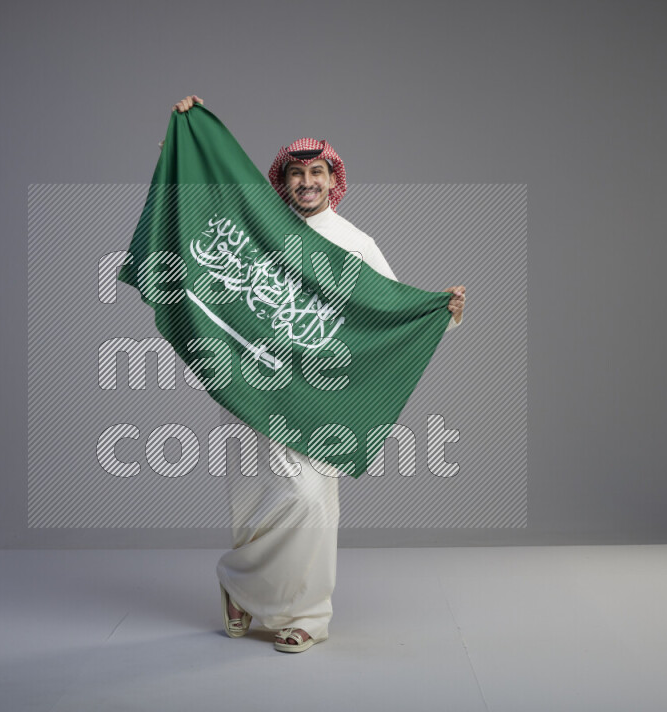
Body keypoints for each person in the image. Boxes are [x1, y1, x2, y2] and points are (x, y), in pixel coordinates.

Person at [169, 95, 466, 652]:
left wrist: (440, 315)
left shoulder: (357, 244)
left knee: (308, 500)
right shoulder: (257, 228)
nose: (307, 182)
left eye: (317, 173)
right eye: (297, 174)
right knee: (256, 499)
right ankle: (243, 591)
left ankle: (304, 613)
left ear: (333, 181)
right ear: (283, 182)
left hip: (317, 399)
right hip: (248, 384)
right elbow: (198, 200)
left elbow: (389, 314)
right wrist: (185, 138)